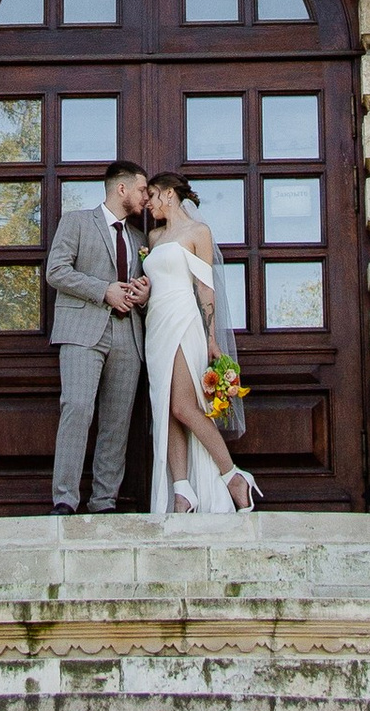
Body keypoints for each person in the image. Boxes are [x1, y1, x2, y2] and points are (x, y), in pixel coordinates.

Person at [141, 172, 260, 515]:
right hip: (156, 324)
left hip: (183, 321)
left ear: (167, 194)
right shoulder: (154, 235)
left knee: (183, 406)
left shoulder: (198, 233)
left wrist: (211, 338)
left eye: (151, 195)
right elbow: (154, 280)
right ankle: (182, 491)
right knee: (166, 408)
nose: (147, 202)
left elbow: (205, 289)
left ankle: (233, 475)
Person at [45, 157, 150, 514]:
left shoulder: (139, 238)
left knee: (117, 421)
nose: (146, 198)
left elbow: (143, 289)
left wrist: (143, 295)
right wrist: (104, 290)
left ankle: (104, 500)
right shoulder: (75, 222)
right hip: (81, 331)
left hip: (128, 336)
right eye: (141, 190)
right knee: (76, 408)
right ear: (121, 189)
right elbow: (56, 271)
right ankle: (65, 500)